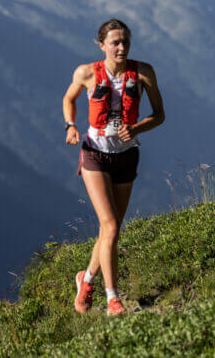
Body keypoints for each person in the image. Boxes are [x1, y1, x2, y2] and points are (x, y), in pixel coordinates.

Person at [62, 18, 165, 316]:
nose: (121, 47)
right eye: (115, 42)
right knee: (109, 226)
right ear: (101, 45)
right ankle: (112, 299)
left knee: (112, 230)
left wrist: (136, 129)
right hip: (95, 154)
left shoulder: (143, 72)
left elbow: (159, 115)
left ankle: (86, 280)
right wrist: (71, 126)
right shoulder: (86, 73)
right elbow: (69, 99)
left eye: (125, 42)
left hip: (126, 155)